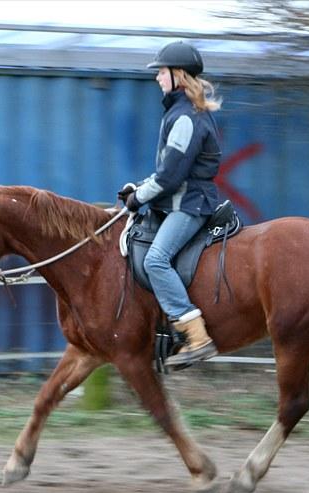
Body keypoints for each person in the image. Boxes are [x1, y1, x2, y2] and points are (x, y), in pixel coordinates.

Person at [118, 40, 223, 367]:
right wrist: (139, 188)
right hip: (181, 199)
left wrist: (139, 197)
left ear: (179, 75)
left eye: (162, 72)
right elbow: (168, 171)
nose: (158, 78)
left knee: (155, 260)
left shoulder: (186, 118)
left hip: (188, 205)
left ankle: (196, 337)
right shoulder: (184, 113)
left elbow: (169, 179)